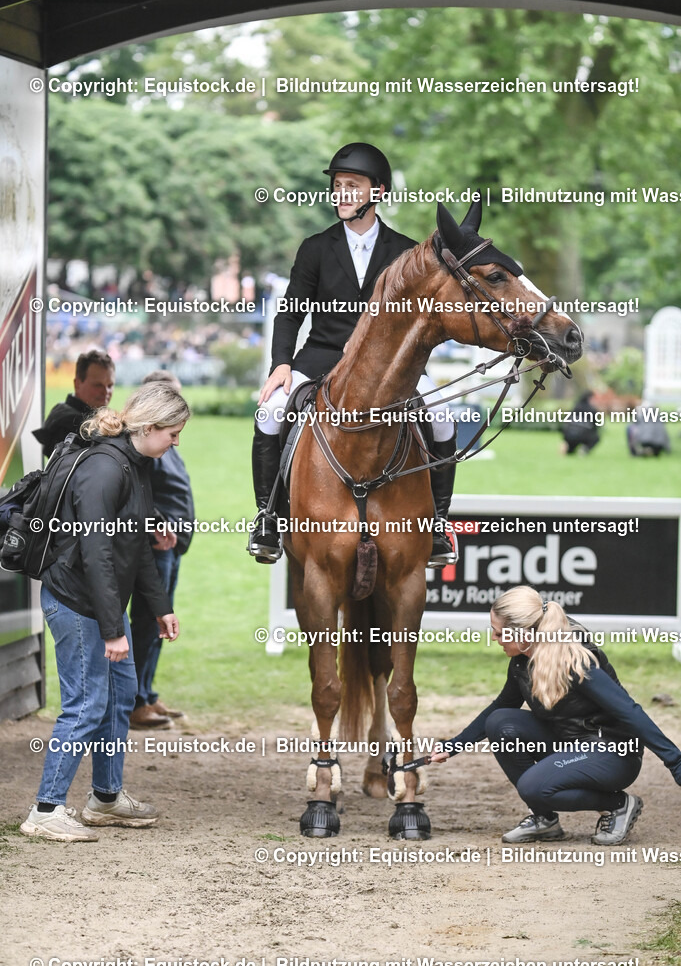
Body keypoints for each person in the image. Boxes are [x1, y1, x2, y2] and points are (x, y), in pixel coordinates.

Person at [247, 142, 458, 566]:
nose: (341, 193)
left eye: (352, 186)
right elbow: (290, 313)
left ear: (377, 192)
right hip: (321, 356)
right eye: (338, 185)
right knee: (269, 413)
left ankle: (436, 522)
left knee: (441, 416)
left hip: (391, 364)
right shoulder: (315, 248)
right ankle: (269, 517)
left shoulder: (406, 251)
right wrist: (281, 364)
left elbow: (421, 317)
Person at [20, 381, 190, 842]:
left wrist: (160, 608)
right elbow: (96, 555)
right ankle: (46, 809)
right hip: (76, 602)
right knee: (87, 704)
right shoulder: (104, 468)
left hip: (102, 605)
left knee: (119, 695)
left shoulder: (136, 467)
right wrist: (115, 630)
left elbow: (135, 550)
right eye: (173, 434)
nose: (176, 443)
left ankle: (106, 798)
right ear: (150, 426)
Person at [429, 586, 681, 845]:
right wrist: (454, 745)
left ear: (521, 632)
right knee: (501, 722)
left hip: (612, 753)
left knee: (533, 787)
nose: (494, 637)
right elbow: (500, 706)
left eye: (498, 631)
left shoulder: (575, 659)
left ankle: (619, 804)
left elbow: (628, 711)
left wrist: (675, 761)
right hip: (570, 743)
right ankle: (544, 820)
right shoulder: (521, 662)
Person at [129, 371, 195, 729]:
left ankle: (147, 692)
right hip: (155, 546)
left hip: (171, 544)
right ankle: (135, 701)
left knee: (158, 624)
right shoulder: (147, 445)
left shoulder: (165, 444)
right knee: (147, 621)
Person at [33, 349, 116, 457]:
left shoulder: (63, 410)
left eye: (110, 385)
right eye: (98, 385)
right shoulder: (68, 423)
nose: (106, 392)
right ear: (77, 384)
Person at [560, 390, 601, 455]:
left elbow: (566, 421)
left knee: (570, 452)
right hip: (583, 436)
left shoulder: (576, 407)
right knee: (596, 437)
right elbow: (596, 426)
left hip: (569, 435)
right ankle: (584, 449)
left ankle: (566, 446)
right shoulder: (592, 410)